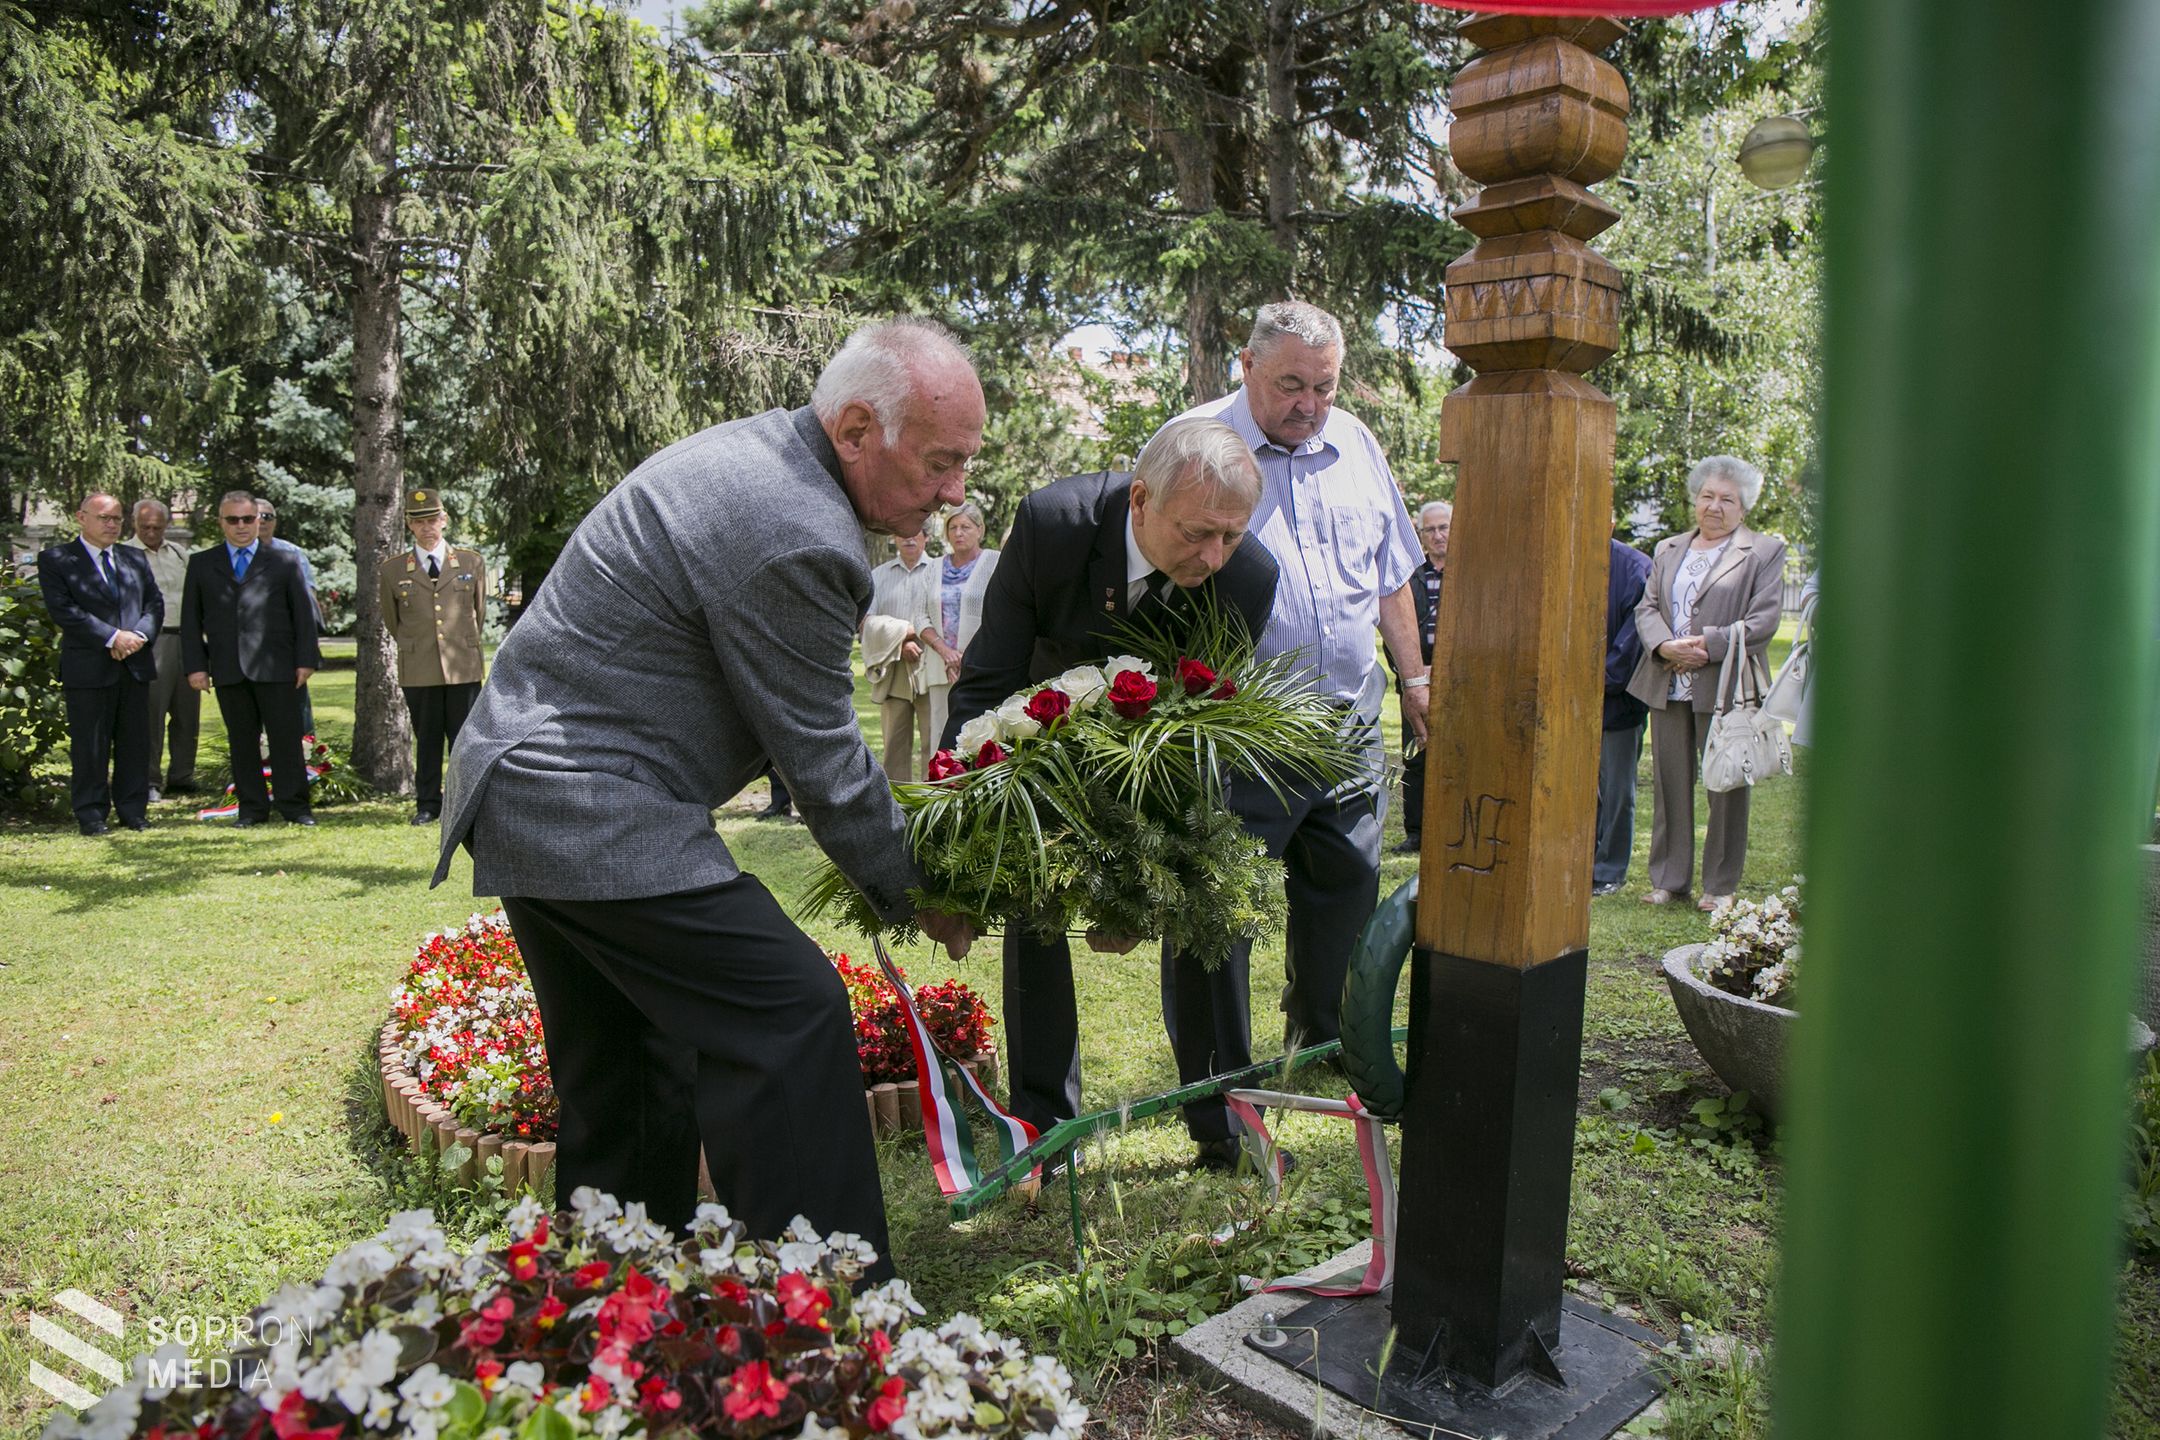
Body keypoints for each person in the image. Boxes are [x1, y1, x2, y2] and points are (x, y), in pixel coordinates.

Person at [431, 317, 981, 1270]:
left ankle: (618, 1294)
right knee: (792, 1011)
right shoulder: (795, 528)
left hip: (531, 785)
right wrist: (928, 888)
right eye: (939, 462)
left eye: (964, 464)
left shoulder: (770, 460)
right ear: (855, 430)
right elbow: (823, 764)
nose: (954, 491)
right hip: (585, 801)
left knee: (636, 1064)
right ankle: (837, 1311)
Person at [940, 419, 1279, 1149]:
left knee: (1204, 905)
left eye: (1231, 535)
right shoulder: (1052, 526)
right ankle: (1043, 1127)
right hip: (1041, 746)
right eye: (1196, 534)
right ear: (1139, 499)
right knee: (1033, 898)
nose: (1214, 557)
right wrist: (954, 813)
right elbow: (991, 675)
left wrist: (1150, 870)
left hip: (1167, 761)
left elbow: (1201, 736)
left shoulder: (1248, 579)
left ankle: (1222, 1119)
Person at [1154, 301, 1430, 1165]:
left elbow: (1390, 572)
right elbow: (1156, 572)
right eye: (1290, 386)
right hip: (1235, 735)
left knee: (1347, 911)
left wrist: (1415, 679)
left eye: (1323, 385)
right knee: (1214, 927)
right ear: (1244, 366)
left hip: (1346, 724)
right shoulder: (1194, 444)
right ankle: (1219, 1111)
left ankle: (1329, 1058)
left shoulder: (1355, 442)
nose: (1309, 404)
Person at [1627, 456, 1788, 911]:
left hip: (1726, 684)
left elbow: (1764, 620)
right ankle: (1669, 880)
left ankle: (1719, 886)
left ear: (1744, 508)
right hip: (1667, 683)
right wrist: (1664, 646)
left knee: (1728, 788)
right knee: (1669, 785)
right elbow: (1647, 608)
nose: (1714, 507)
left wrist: (1706, 644)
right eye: (1707, 497)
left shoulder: (1763, 551)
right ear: (1695, 500)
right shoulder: (1668, 548)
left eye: (1727, 500)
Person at [180, 491, 321, 827]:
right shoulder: (202, 563)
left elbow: (303, 615)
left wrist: (307, 660)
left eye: (248, 519)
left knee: (286, 740)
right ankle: (252, 809)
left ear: (259, 520)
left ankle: (295, 808)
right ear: (221, 523)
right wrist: (196, 667)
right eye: (233, 520)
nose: (241, 526)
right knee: (242, 742)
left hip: (278, 666)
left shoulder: (284, 561)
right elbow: (190, 620)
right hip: (228, 667)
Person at [37, 494, 162, 835]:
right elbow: (64, 610)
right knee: (90, 745)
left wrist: (137, 635)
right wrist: (112, 637)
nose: (111, 524)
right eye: (104, 517)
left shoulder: (134, 558)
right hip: (89, 667)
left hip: (134, 664)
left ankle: (133, 810)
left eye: (117, 519)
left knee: (134, 743)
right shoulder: (57, 559)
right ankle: (91, 814)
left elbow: (154, 603)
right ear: (81, 517)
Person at [379, 488, 487, 825]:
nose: (427, 527)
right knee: (426, 739)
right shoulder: (393, 570)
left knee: (464, 739)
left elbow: (477, 613)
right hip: (420, 667)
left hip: (462, 666)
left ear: (444, 520)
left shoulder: (470, 562)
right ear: (409, 525)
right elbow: (392, 621)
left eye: (433, 520)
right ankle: (428, 804)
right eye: (419, 521)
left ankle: (465, 801)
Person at [122, 498, 200, 802]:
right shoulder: (125, 555)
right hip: (152, 641)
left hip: (186, 639)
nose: (152, 532)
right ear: (134, 524)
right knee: (151, 712)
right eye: (145, 527)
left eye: (157, 526)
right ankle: (150, 779)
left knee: (187, 713)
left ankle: (182, 775)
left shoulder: (179, 554)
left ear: (166, 525)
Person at [1593, 537, 1654, 895]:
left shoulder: (1634, 567)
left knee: (1617, 789)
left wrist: (1596, 680)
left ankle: (1609, 869)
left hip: (1618, 701)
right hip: (1566, 701)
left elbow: (1634, 640)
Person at [917, 500, 1001, 749]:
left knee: (981, 738)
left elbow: (999, 615)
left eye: (965, 527)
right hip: (941, 667)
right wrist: (947, 653)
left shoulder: (995, 563)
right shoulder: (933, 568)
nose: (959, 533)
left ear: (979, 530)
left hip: (980, 666)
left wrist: (966, 657)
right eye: (953, 527)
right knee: (941, 740)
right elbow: (920, 617)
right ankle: (941, 787)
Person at [1393, 500, 1449, 853]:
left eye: (1444, 527)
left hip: (1458, 679)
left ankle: (1450, 824)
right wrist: (1413, 670)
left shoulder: (1473, 574)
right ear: (1422, 536)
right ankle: (1416, 832)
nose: (1439, 535)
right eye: (1430, 530)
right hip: (1415, 680)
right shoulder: (1409, 575)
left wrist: (1444, 668)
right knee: (1415, 753)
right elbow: (1395, 628)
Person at [866, 526, 938, 780]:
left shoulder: (938, 571)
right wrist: (901, 639)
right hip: (894, 670)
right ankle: (899, 808)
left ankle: (933, 806)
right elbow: (866, 621)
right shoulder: (878, 575)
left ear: (926, 537)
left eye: (916, 532)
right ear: (894, 537)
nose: (909, 537)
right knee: (894, 747)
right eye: (903, 533)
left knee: (936, 744)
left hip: (932, 667)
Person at [257, 501, 320, 738]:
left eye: (268, 516)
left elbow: (307, 605)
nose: (262, 520)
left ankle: (307, 767)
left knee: (297, 715)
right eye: (257, 515)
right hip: (246, 652)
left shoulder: (292, 554)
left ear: (275, 521)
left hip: (286, 650)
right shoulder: (233, 556)